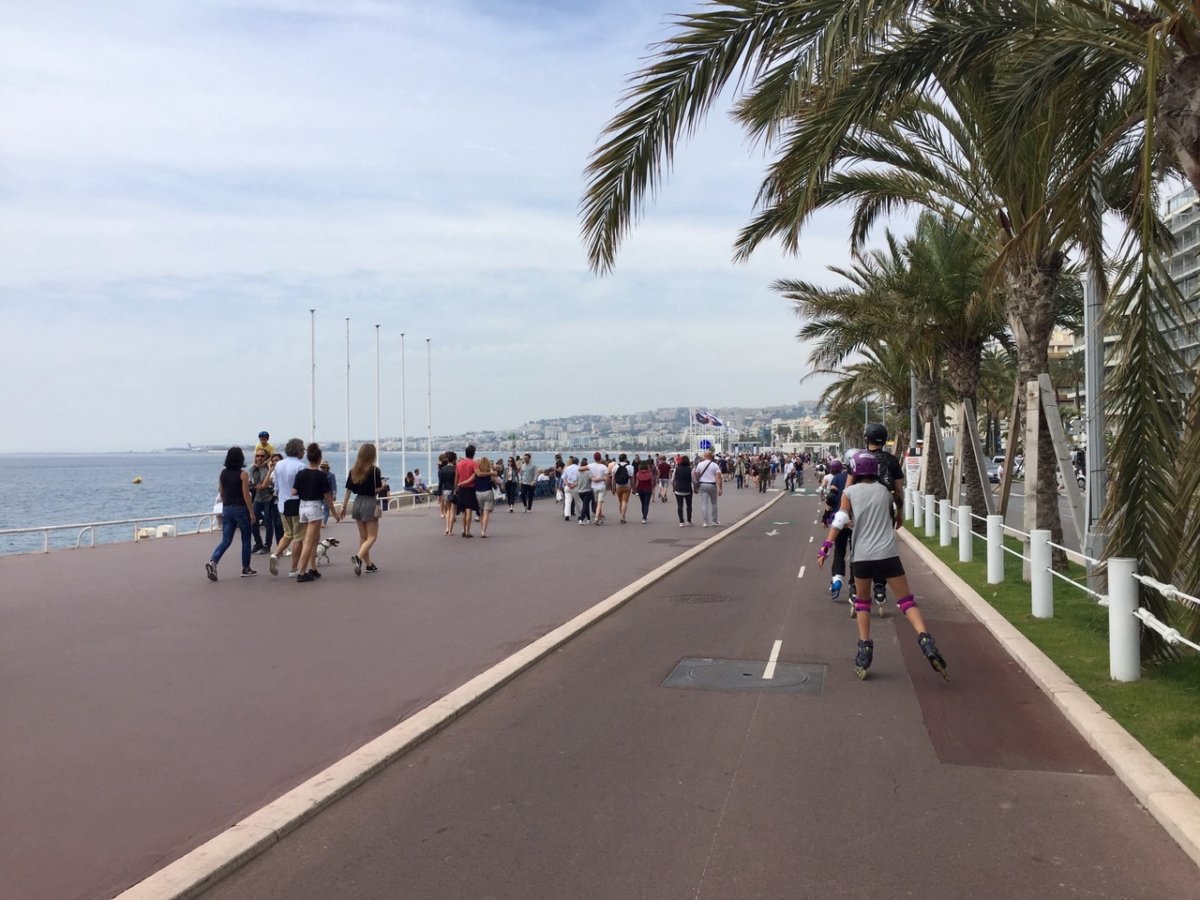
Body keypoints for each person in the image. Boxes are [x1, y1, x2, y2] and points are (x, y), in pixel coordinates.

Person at [817, 451, 947, 680]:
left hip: (862, 557)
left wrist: (825, 548)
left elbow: (840, 520)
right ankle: (926, 641)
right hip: (888, 554)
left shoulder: (849, 492)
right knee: (906, 601)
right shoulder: (885, 493)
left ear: (855, 470)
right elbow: (893, 516)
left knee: (863, 603)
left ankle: (864, 650)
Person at [205, 446, 257, 581]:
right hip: (241, 509)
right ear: (241, 459)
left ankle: (213, 561)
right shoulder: (243, 474)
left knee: (226, 540)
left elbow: (221, 491)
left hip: (227, 509)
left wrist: (226, 503)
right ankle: (246, 568)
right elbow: (246, 495)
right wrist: (251, 512)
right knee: (246, 539)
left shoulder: (223, 473)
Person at [293, 443, 340, 583]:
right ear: (319, 459)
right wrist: (334, 512)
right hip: (314, 507)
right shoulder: (321, 476)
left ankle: (313, 568)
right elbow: (327, 496)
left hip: (303, 506)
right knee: (308, 541)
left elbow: (294, 491)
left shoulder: (300, 473)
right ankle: (302, 572)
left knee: (314, 538)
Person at [341, 442, 385, 575]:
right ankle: (358, 558)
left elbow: (348, 490)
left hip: (357, 502)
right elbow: (375, 489)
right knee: (372, 537)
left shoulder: (353, 471)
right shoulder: (375, 470)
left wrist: (344, 507)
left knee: (363, 537)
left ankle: (369, 565)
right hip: (369, 502)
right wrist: (383, 485)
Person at [269, 438, 307, 577]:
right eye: (303, 450)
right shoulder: (300, 466)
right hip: (296, 504)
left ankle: (276, 554)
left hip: (282, 504)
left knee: (287, 533)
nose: (303, 452)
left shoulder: (278, 465)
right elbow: (302, 487)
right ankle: (293, 569)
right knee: (298, 537)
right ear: (298, 451)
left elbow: (276, 487)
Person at [249, 448, 273, 553]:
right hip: (257, 498)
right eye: (257, 456)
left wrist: (261, 485)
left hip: (268, 498)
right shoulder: (253, 468)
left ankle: (267, 545)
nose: (259, 458)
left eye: (262, 456)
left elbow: (265, 483)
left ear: (266, 457)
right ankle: (258, 543)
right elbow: (249, 480)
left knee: (268, 522)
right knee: (253, 520)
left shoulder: (268, 468)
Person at [454, 444, 480, 537]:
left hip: (461, 488)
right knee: (469, 510)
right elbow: (478, 474)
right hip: (470, 488)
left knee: (463, 511)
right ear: (473, 454)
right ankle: (467, 531)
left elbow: (456, 477)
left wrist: (456, 488)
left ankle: (463, 529)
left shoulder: (459, 464)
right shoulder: (474, 463)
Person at [693, 448, 723, 526]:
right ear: (711, 456)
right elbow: (718, 478)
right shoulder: (715, 465)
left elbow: (696, 475)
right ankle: (714, 521)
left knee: (704, 503)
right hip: (712, 485)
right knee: (714, 503)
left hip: (703, 484)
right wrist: (720, 488)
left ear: (705, 456)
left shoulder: (700, 464)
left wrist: (697, 484)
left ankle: (705, 522)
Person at [474, 456, 502, 537]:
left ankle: (481, 530)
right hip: (488, 492)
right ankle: (484, 532)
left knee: (481, 512)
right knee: (486, 513)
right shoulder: (490, 472)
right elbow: (498, 482)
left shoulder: (477, 472)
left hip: (478, 493)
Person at [611, 452, 634, 523]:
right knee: (624, 502)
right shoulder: (630, 467)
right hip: (627, 486)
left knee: (620, 502)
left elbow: (613, 479)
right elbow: (632, 478)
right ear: (625, 459)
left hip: (618, 487)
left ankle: (622, 516)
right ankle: (622, 517)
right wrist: (633, 488)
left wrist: (613, 488)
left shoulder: (615, 467)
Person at [439, 451, 458, 535]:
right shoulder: (455, 469)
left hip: (445, 491)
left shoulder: (442, 470)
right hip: (453, 490)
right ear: (454, 460)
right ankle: (450, 530)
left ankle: (447, 528)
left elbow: (440, 483)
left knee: (448, 510)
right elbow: (457, 481)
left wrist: (440, 494)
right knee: (453, 511)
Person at [588, 452, 609, 524]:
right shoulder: (604, 467)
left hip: (593, 487)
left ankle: (599, 518)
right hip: (602, 486)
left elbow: (580, 468)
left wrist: (593, 478)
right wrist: (602, 479)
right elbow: (607, 479)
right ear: (600, 458)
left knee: (597, 503)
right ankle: (597, 518)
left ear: (594, 458)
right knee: (599, 504)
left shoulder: (590, 466)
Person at [672, 454, 694, 527]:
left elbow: (673, 480)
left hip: (678, 489)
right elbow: (693, 480)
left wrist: (674, 487)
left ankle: (681, 522)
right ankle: (689, 520)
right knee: (689, 505)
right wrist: (696, 487)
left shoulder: (676, 469)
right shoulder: (690, 469)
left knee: (680, 505)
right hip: (688, 489)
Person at [634, 459, 656, 523]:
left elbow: (637, 483)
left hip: (640, 490)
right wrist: (652, 488)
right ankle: (644, 517)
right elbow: (652, 482)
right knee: (646, 504)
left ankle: (644, 515)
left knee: (643, 503)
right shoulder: (650, 474)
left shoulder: (638, 474)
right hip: (648, 490)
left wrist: (634, 489)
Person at [561, 455, 580, 521]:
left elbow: (564, 478)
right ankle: (580, 514)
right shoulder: (579, 468)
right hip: (575, 486)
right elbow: (579, 479)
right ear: (578, 462)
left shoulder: (567, 468)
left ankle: (567, 514)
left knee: (567, 501)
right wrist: (574, 485)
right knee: (578, 501)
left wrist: (568, 484)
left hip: (567, 486)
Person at [320, 460, 336, 524]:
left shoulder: (331, 475)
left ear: (327, 468)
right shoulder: (318, 474)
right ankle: (320, 522)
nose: (322, 469)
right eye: (321, 467)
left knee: (326, 509)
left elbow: (333, 485)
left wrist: (334, 495)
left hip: (327, 495)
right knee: (318, 509)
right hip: (319, 495)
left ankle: (324, 522)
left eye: (324, 467)